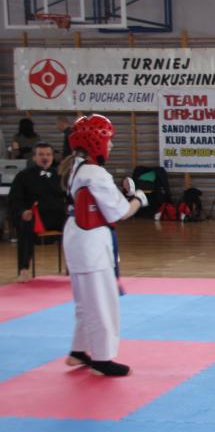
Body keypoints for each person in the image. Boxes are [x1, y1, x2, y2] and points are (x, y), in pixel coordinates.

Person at [59, 114, 148, 377]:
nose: (111, 145)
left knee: (86, 301)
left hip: (78, 238)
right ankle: (102, 359)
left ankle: (79, 351)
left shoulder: (75, 168)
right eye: (108, 140)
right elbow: (120, 212)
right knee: (101, 302)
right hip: (91, 243)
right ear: (95, 141)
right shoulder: (94, 173)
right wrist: (139, 199)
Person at [8, 142, 67, 282]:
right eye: (41, 154)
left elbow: (68, 197)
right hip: (35, 217)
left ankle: (74, 268)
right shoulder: (23, 176)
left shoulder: (60, 175)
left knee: (75, 228)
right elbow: (14, 199)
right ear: (34, 157)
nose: (45, 157)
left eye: (48, 154)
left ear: (52, 157)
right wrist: (23, 211)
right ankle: (23, 269)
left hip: (57, 217)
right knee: (25, 227)